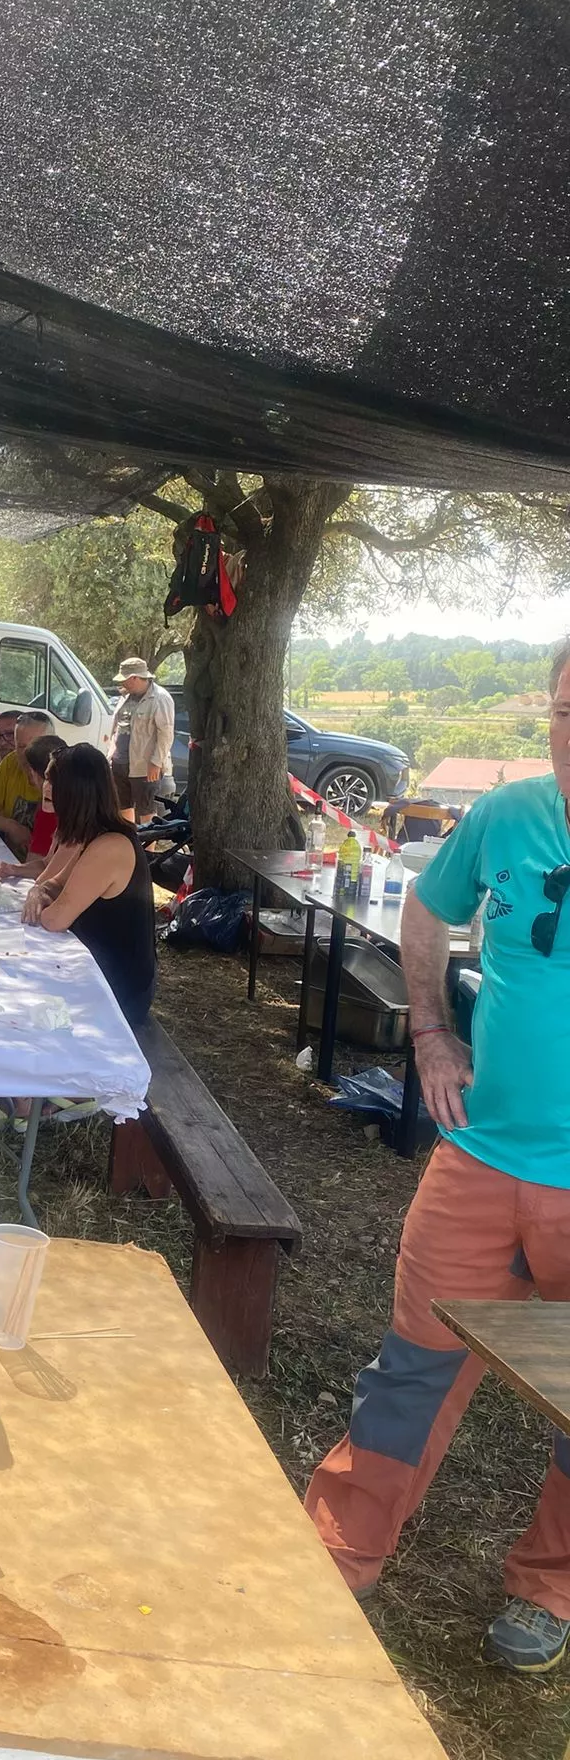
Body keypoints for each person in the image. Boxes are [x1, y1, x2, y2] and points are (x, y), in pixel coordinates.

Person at [306, 640, 570, 1673]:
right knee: (412, 1361)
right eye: (563, 707)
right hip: (479, 1158)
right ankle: (340, 1549)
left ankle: (549, 1584)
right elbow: (427, 910)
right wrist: (428, 1029)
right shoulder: (508, 816)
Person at [21, 745, 157, 1027]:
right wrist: (39, 892)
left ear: (73, 791)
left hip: (117, 992)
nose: (45, 786)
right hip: (92, 970)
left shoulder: (110, 846)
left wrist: (43, 901)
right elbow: (51, 885)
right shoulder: (95, 835)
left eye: (51, 780)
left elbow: (55, 918)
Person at [0, 708, 58, 856]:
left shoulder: (62, 779)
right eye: (21, 747)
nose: (27, 754)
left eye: (35, 746)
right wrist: (11, 826)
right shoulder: (11, 761)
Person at [109, 658, 176, 820]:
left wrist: (156, 762)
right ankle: (129, 843)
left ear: (135, 678)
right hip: (119, 764)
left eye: (125, 679)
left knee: (146, 811)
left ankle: (146, 846)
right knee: (122, 808)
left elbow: (165, 734)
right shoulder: (125, 697)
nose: (123, 683)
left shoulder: (160, 698)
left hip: (144, 767)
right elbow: (116, 728)